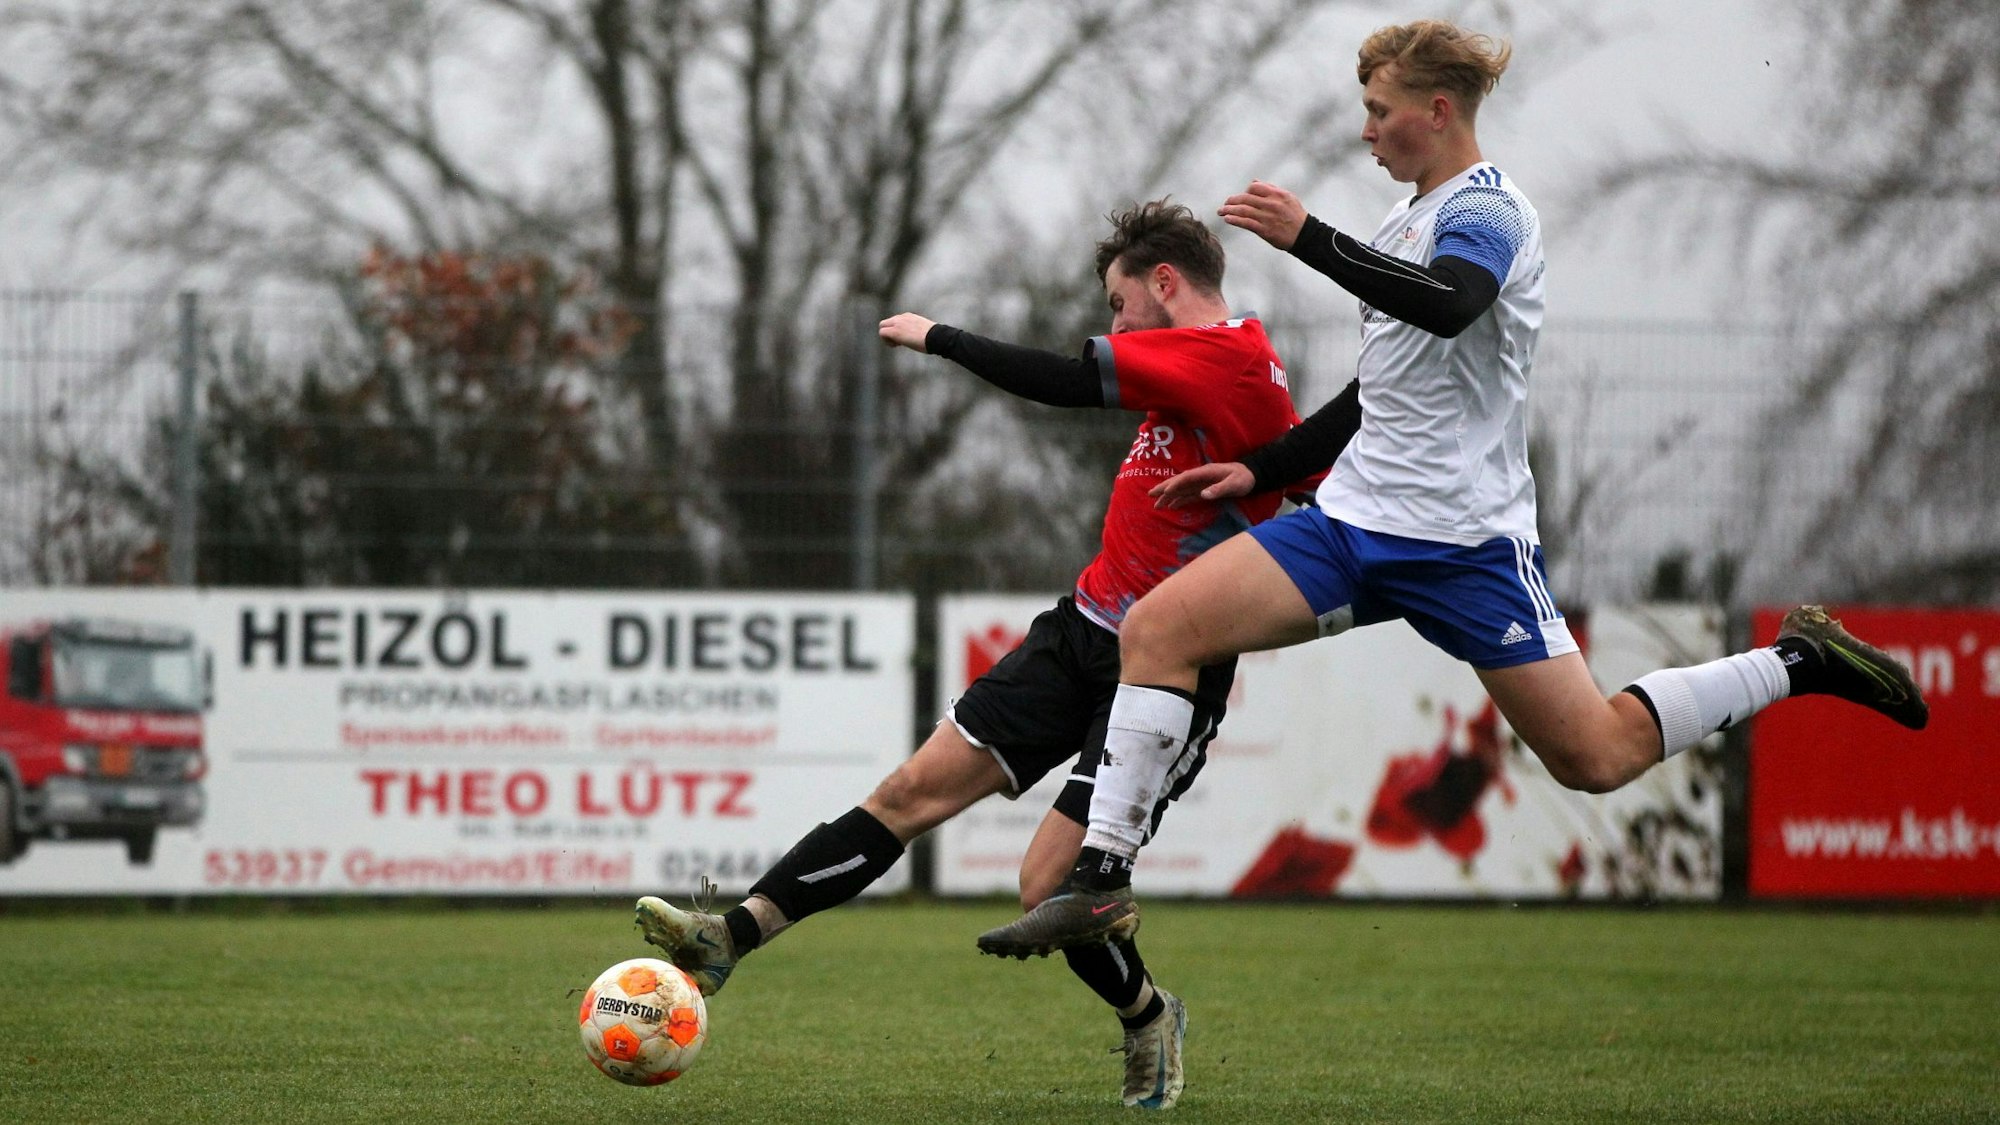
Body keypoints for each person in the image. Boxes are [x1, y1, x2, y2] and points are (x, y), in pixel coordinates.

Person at [975, 18, 1928, 958]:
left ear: (1436, 111)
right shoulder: (1406, 219)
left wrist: (1311, 237)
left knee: (1595, 756)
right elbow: (1378, 389)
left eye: (1378, 110)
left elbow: (1451, 305)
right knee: (1157, 629)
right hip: (1351, 527)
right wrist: (1262, 469)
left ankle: (1797, 661)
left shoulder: (1492, 210)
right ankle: (1100, 880)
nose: (1366, 129)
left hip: (1465, 544)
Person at [632, 199, 1356, 1110]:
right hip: (1079, 630)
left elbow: (1061, 380)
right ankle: (731, 935)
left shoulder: (1227, 353)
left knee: (1046, 882)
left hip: (1165, 668)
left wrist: (943, 338)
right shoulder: (1225, 377)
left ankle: (1147, 1016)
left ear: (1164, 284)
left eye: (1118, 301)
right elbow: (1311, 476)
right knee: (908, 795)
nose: (1113, 322)